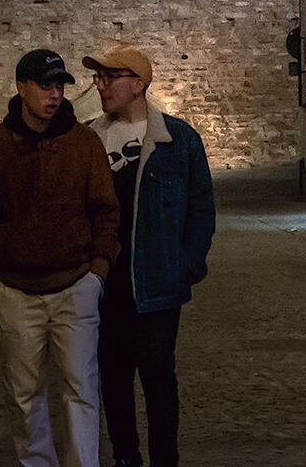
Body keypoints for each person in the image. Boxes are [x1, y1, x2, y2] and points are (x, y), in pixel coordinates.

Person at [0, 48, 120, 467]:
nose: (55, 94)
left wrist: (97, 272)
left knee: (80, 391)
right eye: (46, 85)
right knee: (24, 396)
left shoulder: (83, 143)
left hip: (75, 285)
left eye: (60, 86)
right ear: (21, 88)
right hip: (15, 291)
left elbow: (106, 211)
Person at [82, 46, 214, 467]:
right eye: (98, 78)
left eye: (110, 77)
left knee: (158, 377)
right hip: (105, 283)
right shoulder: (88, 139)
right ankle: (126, 457)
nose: (101, 86)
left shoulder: (178, 140)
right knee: (113, 378)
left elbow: (200, 210)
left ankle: (164, 459)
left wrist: (185, 266)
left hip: (157, 283)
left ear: (138, 84)